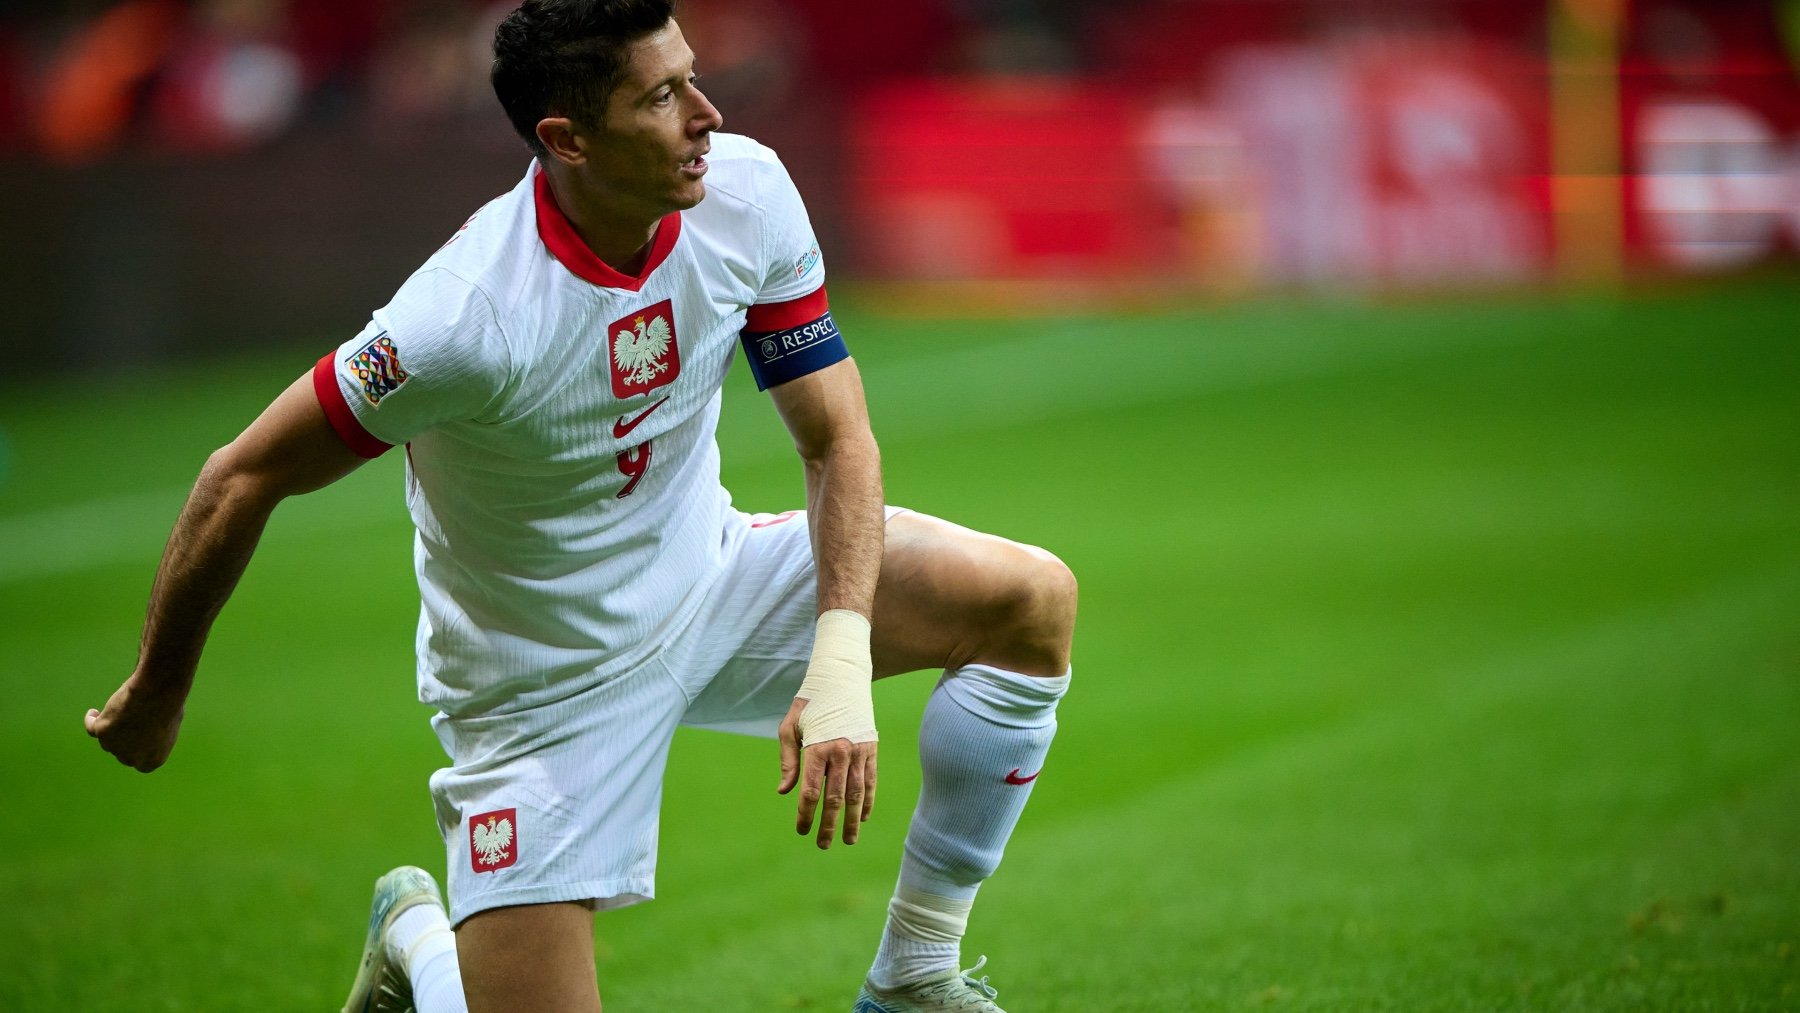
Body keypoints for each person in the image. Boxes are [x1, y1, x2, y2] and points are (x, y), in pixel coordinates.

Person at [83, 2, 1077, 1010]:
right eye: (661, 96)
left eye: (692, 75)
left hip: (710, 580)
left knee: (1027, 600)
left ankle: (913, 973)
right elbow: (242, 473)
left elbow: (836, 438)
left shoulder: (745, 191)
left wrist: (839, 654)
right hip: (541, 690)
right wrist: (159, 688)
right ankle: (421, 938)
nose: (706, 112)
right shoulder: (461, 322)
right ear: (567, 139)